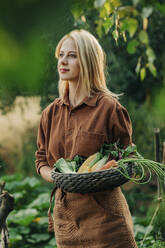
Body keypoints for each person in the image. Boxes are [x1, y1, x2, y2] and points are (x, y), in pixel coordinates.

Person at [35, 29, 138, 248]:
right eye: (61, 55)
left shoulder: (109, 108)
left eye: (72, 55)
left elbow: (130, 161)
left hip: (106, 222)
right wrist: (58, 178)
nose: (63, 61)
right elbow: (42, 160)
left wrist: (105, 173)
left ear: (89, 61)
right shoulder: (50, 114)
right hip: (66, 221)